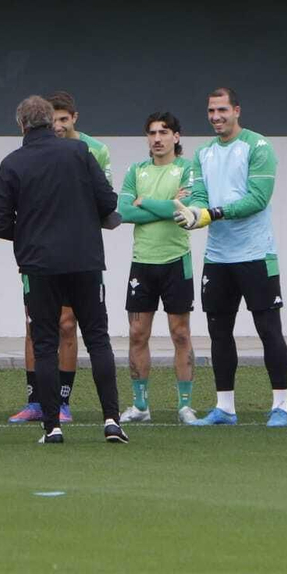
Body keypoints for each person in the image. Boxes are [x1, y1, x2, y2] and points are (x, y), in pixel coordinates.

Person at [0, 95, 126, 446]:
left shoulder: (12, 164)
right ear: (52, 121)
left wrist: (32, 232)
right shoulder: (80, 153)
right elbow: (109, 202)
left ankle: (52, 425)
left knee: (46, 342)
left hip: (39, 265)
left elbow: (1, 224)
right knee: (98, 339)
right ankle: (112, 420)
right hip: (85, 260)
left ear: (20, 124)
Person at [175, 88, 287, 427]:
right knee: (219, 332)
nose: (216, 117)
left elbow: (257, 198)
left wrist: (211, 213)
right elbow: (199, 195)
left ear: (237, 110)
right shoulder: (204, 153)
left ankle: (280, 407)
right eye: (211, 111)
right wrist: (192, 213)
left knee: (269, 329)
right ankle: (225, 407)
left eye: (222, 110)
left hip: (257, 254)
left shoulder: (258, 147)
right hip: (218, 257)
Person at [117, 112, 198, 425]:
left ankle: (185, 406)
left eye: (164, 132)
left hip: (177, 261)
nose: (157, 138)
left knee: (180, 334)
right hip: (143, 263)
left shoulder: (187, 168)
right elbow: (123, 211)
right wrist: (163, 205)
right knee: (138, 334)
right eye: (152, 133)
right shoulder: (136, 170)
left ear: (176, 137)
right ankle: (140, 406)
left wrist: (145, 201)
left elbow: (183, 211)